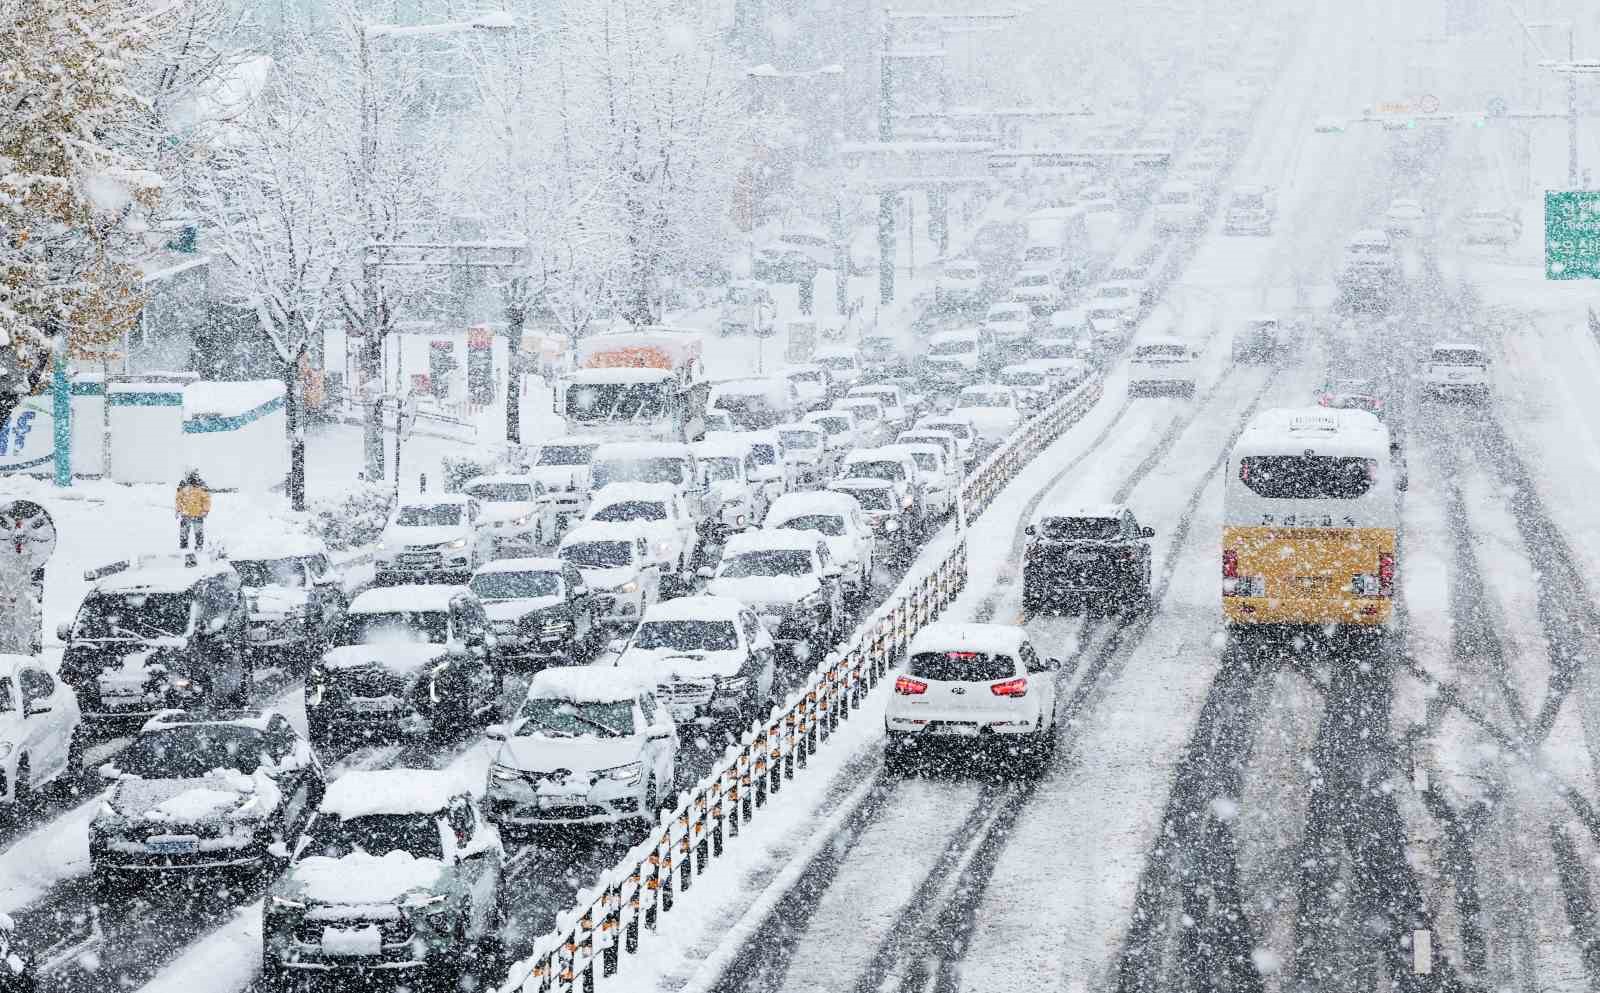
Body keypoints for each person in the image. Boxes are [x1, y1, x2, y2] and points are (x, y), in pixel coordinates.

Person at [175, 469, 212, 551]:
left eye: (195, 475)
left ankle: (199, 547)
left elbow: (207, 500)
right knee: (184, 533)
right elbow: (179, 499)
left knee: (198, 533)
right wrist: (178, 510)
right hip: (186, 514)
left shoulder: (202, 487)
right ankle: (183, 548)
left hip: (198, 514)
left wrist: (205, 511)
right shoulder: (183, 486)